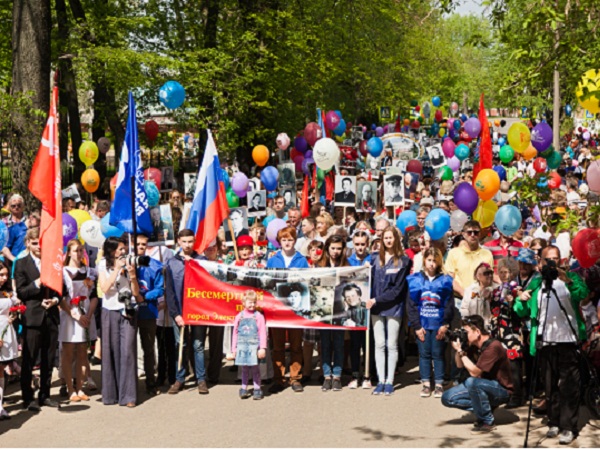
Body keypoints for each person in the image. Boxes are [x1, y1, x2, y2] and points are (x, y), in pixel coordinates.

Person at [513, 245, 589, 444]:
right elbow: (520, 310)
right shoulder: (536, 283)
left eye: (555, 259)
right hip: (544, 342)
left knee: (569, 386)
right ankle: (554, 421)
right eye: (548, 259)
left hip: (568, 341)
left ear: (561, 260)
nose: (552, 263)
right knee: (549, 387)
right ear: (540, 262)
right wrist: (520, 300)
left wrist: (568, 280)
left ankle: (568, 426)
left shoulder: (570, 278)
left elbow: (583, 293)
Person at [15, 227, 62, 411]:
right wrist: (36, 284)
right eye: (34, 243)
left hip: (50, 316)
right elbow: (21, 291)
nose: (38, 246)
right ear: (28, 244)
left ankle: (45, 394)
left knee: (48, 358)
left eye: (40, 242)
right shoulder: (22, 264)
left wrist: (55, 300)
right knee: (29, 358)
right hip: (33, 317)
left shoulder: (52, 262)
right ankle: (27, 397)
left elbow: (61, 288)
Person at [441, 315, 513, 434]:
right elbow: (459, 365)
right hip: (481, 385)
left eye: (466, 332)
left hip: (501, 390)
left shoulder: (493, 346)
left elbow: (475, 373)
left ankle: (487, 420)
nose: (464, 334)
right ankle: (485, 408)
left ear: (477, 332)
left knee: (471, 381)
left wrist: (460, 352)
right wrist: (459, 349)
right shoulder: (473, 345)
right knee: (447, 398)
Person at [367, 226, 412, 395]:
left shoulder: (404, 261)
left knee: (391, 344)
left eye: (391, 237)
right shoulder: (372, 259)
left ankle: (390, 381)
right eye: (385, 237)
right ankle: (380, 380)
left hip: (393, 307)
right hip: (375, 307)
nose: (388, 240)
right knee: (379, 344)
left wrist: (376, 299)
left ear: (396, 239)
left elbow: (398, 290)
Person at [165, 229, 211, 395]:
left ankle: (201, 379)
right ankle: (180, 378)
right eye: (184, 241)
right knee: (181, 345)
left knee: (198, 345)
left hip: (197, 311)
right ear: (179, 241)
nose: (187, 245)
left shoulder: (202, 260)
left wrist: (196, 264)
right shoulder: (172, 262)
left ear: (195, 241)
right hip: (180, 312)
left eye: (190, 241)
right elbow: (169, 291)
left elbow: (208, 287)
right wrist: (176, 314)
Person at [98, 236, 141, 407]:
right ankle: (111, 393)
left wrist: (131, 275)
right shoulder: (102, 264)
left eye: (125, 248)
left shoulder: (130, 262)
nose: (124, 252)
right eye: (120, 249)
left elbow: (136, 292)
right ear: (111, 251)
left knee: (128, 350)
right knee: (112, 350)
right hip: (110, 310)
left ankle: (129, 395)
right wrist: (116, 269)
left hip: (128, 310)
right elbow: (104, 288)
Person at [266, 226, 309, 394]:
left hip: (296, 309)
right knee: (277, 346)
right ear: (279, 242)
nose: (287, 243)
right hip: (277, 308)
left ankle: (295, 378)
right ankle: (278, 378)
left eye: (290, 239)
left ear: (295, 240)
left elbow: (307, 282)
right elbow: (267, 281)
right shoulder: (273, 260)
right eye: (284, 240)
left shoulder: (301, 260)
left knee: (296, 345)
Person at [407, 248, 454, 399]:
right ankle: (426, 383)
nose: (432, 264)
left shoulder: (445, 280)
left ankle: (439, 384)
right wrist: (416, 326)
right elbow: (411, 305)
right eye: (429, 260)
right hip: (422, 324)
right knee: (424, 354)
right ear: (424, 261)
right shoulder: (416, 279)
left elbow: (449, 303)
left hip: (438, 323)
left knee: (438, 354)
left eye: (435, 260)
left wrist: (445, 323)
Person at [60, 239, 98, 403]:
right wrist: (74, 315)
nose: (79, 253)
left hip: (86, 314)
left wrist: (88, 315)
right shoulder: (63, 272)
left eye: (81, 250)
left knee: (84, 353)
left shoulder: (89, 272)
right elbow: (61, 297)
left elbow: (95, 296)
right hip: (70, 315)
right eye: (75, 250)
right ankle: (70, 389)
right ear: (68, 252)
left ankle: (80, 387)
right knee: (69, 353)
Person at [489, 257, 525, 408]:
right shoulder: (497, 289)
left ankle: (517, 395)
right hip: (499, 330)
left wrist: (512, 301)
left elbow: (519, 311)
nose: (504, 275)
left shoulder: (516, 288)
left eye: (507, 272)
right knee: (502, 364)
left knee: (514, 364)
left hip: (512, 330)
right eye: (501, 272)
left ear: (512, 272)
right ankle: (506, 393)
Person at [134, 234, 164, 396]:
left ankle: (151, 383)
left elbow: (160, 289)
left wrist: (144, 297)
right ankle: (130, 383)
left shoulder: (155, 265)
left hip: (148, 312)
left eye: (143, 244)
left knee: (149, 349)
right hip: (130, 313)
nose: (140, 247)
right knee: (129, 350)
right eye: (137, 244)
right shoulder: (126, 263)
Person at [319, 235, 349, 392]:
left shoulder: (347, 265)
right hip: (323, 310)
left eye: (339, 248)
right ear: (327, 248)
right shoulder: (319, 265)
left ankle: (337, 376)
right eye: (333, 248)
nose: (336, 251)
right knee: (325, 344)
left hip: (340, 310)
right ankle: (326, 376)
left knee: (338, 343)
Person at [231, 290, 267, 400]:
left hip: (253, 347)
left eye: (254, 302)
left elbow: (262, 332)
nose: (252, 305)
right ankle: (244, 388)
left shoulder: (259, 316)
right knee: (244, 369)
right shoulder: (239, 316)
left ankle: (257, 389)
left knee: (255, 369)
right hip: (241, 346)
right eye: (249, 302)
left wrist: (262, 348)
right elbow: (235, 333)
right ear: (243, 303)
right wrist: (234, 349)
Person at [0, 261, 18, 419]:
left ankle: (0, 406)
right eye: (1, 275)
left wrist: (14, 314)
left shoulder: (7, 292)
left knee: (0, 370)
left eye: (6, 275)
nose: (4, 278)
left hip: (5, 331)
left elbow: (16, 305)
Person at [3, 194, 28, 265]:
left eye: (19, 205)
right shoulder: (4, 222)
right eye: (13, 206)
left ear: (23, 207)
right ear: (10, 207)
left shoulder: (28, 221)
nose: (16, 207)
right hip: (8, 257)